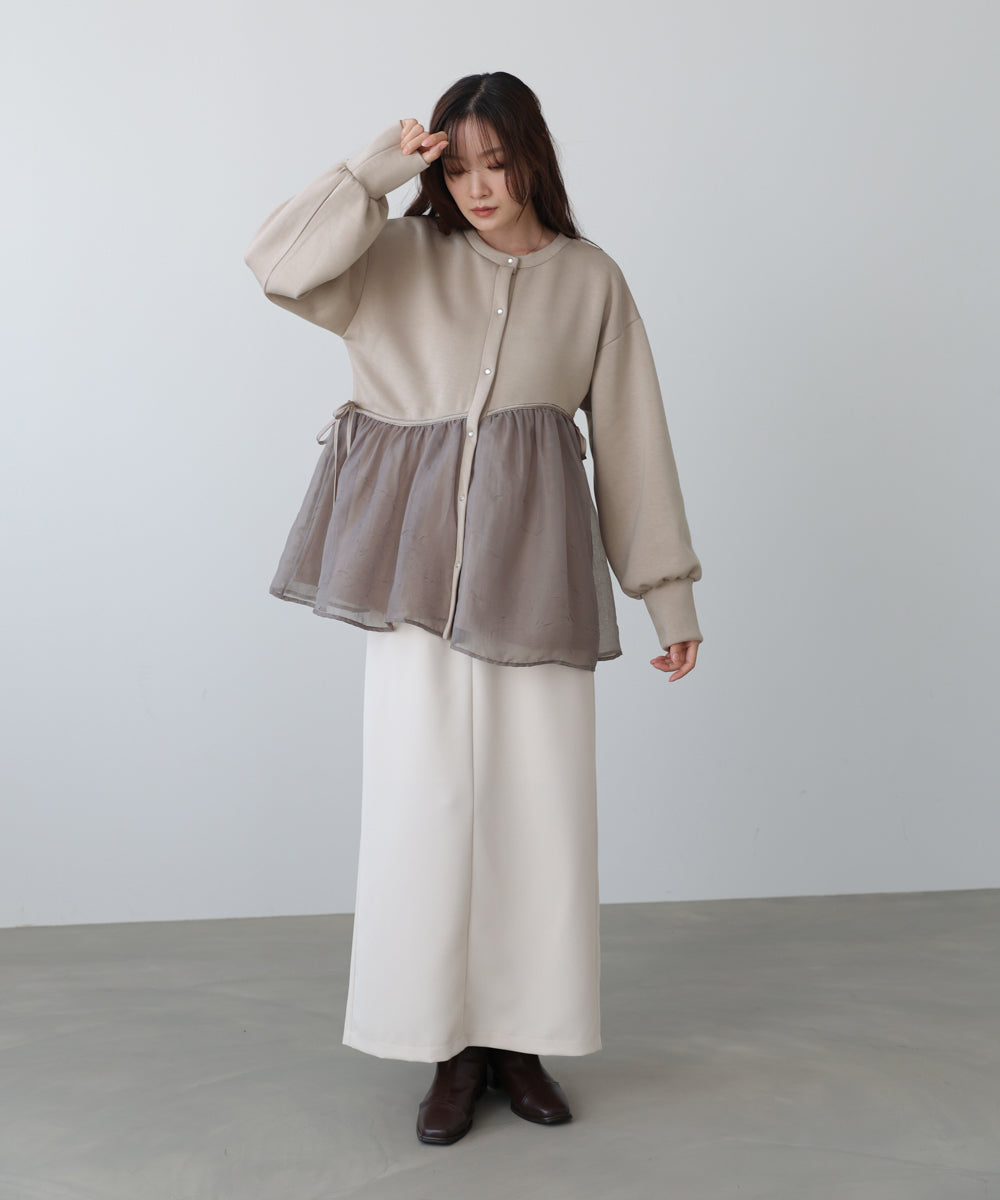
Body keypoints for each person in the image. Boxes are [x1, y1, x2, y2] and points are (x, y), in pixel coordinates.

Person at [244, 71, 702, 1146]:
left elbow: (633, 439)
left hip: (537, 575)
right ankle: (444, 1047)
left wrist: (667, 596)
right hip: (411, 579)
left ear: (534, 156)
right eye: (457, 168)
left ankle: (521, 1040)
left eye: (497, 164)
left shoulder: (591, 280)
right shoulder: (393, 255)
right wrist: (373, 172)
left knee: (540, 813)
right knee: (426, 806)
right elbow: (275, 262)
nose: (480, 187)